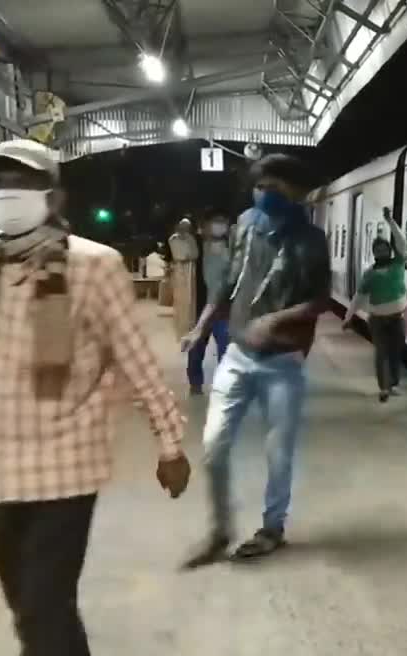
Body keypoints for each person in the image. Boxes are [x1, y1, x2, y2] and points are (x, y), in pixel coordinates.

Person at [0, 139, 190, 656]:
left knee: (46, 604)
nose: (7, 195)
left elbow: (135, 358)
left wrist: (170, 443)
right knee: (31, 609)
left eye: (21, 183)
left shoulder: (93, 265)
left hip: (64, 466)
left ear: (54, 196)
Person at [180, 153, 331, 567]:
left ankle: (272, 528)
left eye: (274, 188)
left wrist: (275, 320)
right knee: (213, 446)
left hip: (282, 364)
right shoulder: (245, 224)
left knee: (278, 453)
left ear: (296, 194)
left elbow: (320, 300)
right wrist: (201, 326)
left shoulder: (311, 241)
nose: (263, 194)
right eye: (259, 186)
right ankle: (220, 530)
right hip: (237, 356)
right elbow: (228, 282)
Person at [343, 206, 407, 402]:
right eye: (378, 249)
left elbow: (402, 241)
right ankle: (384, 388)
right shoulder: (369, 275)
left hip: (398, 318)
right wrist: (348, 317)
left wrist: (390, 222)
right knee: (381, 353)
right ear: (374, 253)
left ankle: (393, 383)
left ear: (389, 250)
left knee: (396, 353)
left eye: (385, 248)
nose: (382, 251)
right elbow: (358, 298)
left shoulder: (398, 264)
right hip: (378, 321)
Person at [186, 209, 232, 395]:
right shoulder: (196, 248)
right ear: (204, 227)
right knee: (196, 350)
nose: (219, 226)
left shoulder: (232, 248)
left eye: (223, 222)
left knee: (225, 350)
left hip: (224, 310)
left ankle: (223, 385)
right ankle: (195, 383)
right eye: (215, 222)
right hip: (199, 309)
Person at [168, 217, 200, 341]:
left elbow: (195, 254)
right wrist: (187, 256)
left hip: (191, 273)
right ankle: (181, 330)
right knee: (181, 301)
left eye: (188, 226)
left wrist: (188, 256)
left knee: (191, 300)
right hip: (180, 273)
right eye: (183, 226)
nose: (185, 229)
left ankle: (190, 328)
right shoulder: (173, 238)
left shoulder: (191, 238)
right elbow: (179, 256)